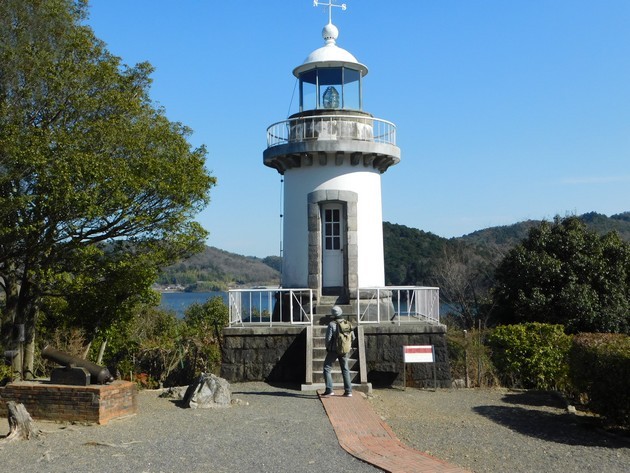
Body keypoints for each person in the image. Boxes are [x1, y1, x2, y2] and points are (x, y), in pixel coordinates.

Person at [321, 305, 354, 397]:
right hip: (344, 349)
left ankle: (329, 390)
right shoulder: (347, 323)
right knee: (345, 369)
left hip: (333, 350)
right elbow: (353, 337)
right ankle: (348, 391)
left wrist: (327, 347)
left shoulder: (332, 324)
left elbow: (328, 339)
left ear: (333, 314)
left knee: (327, 368)